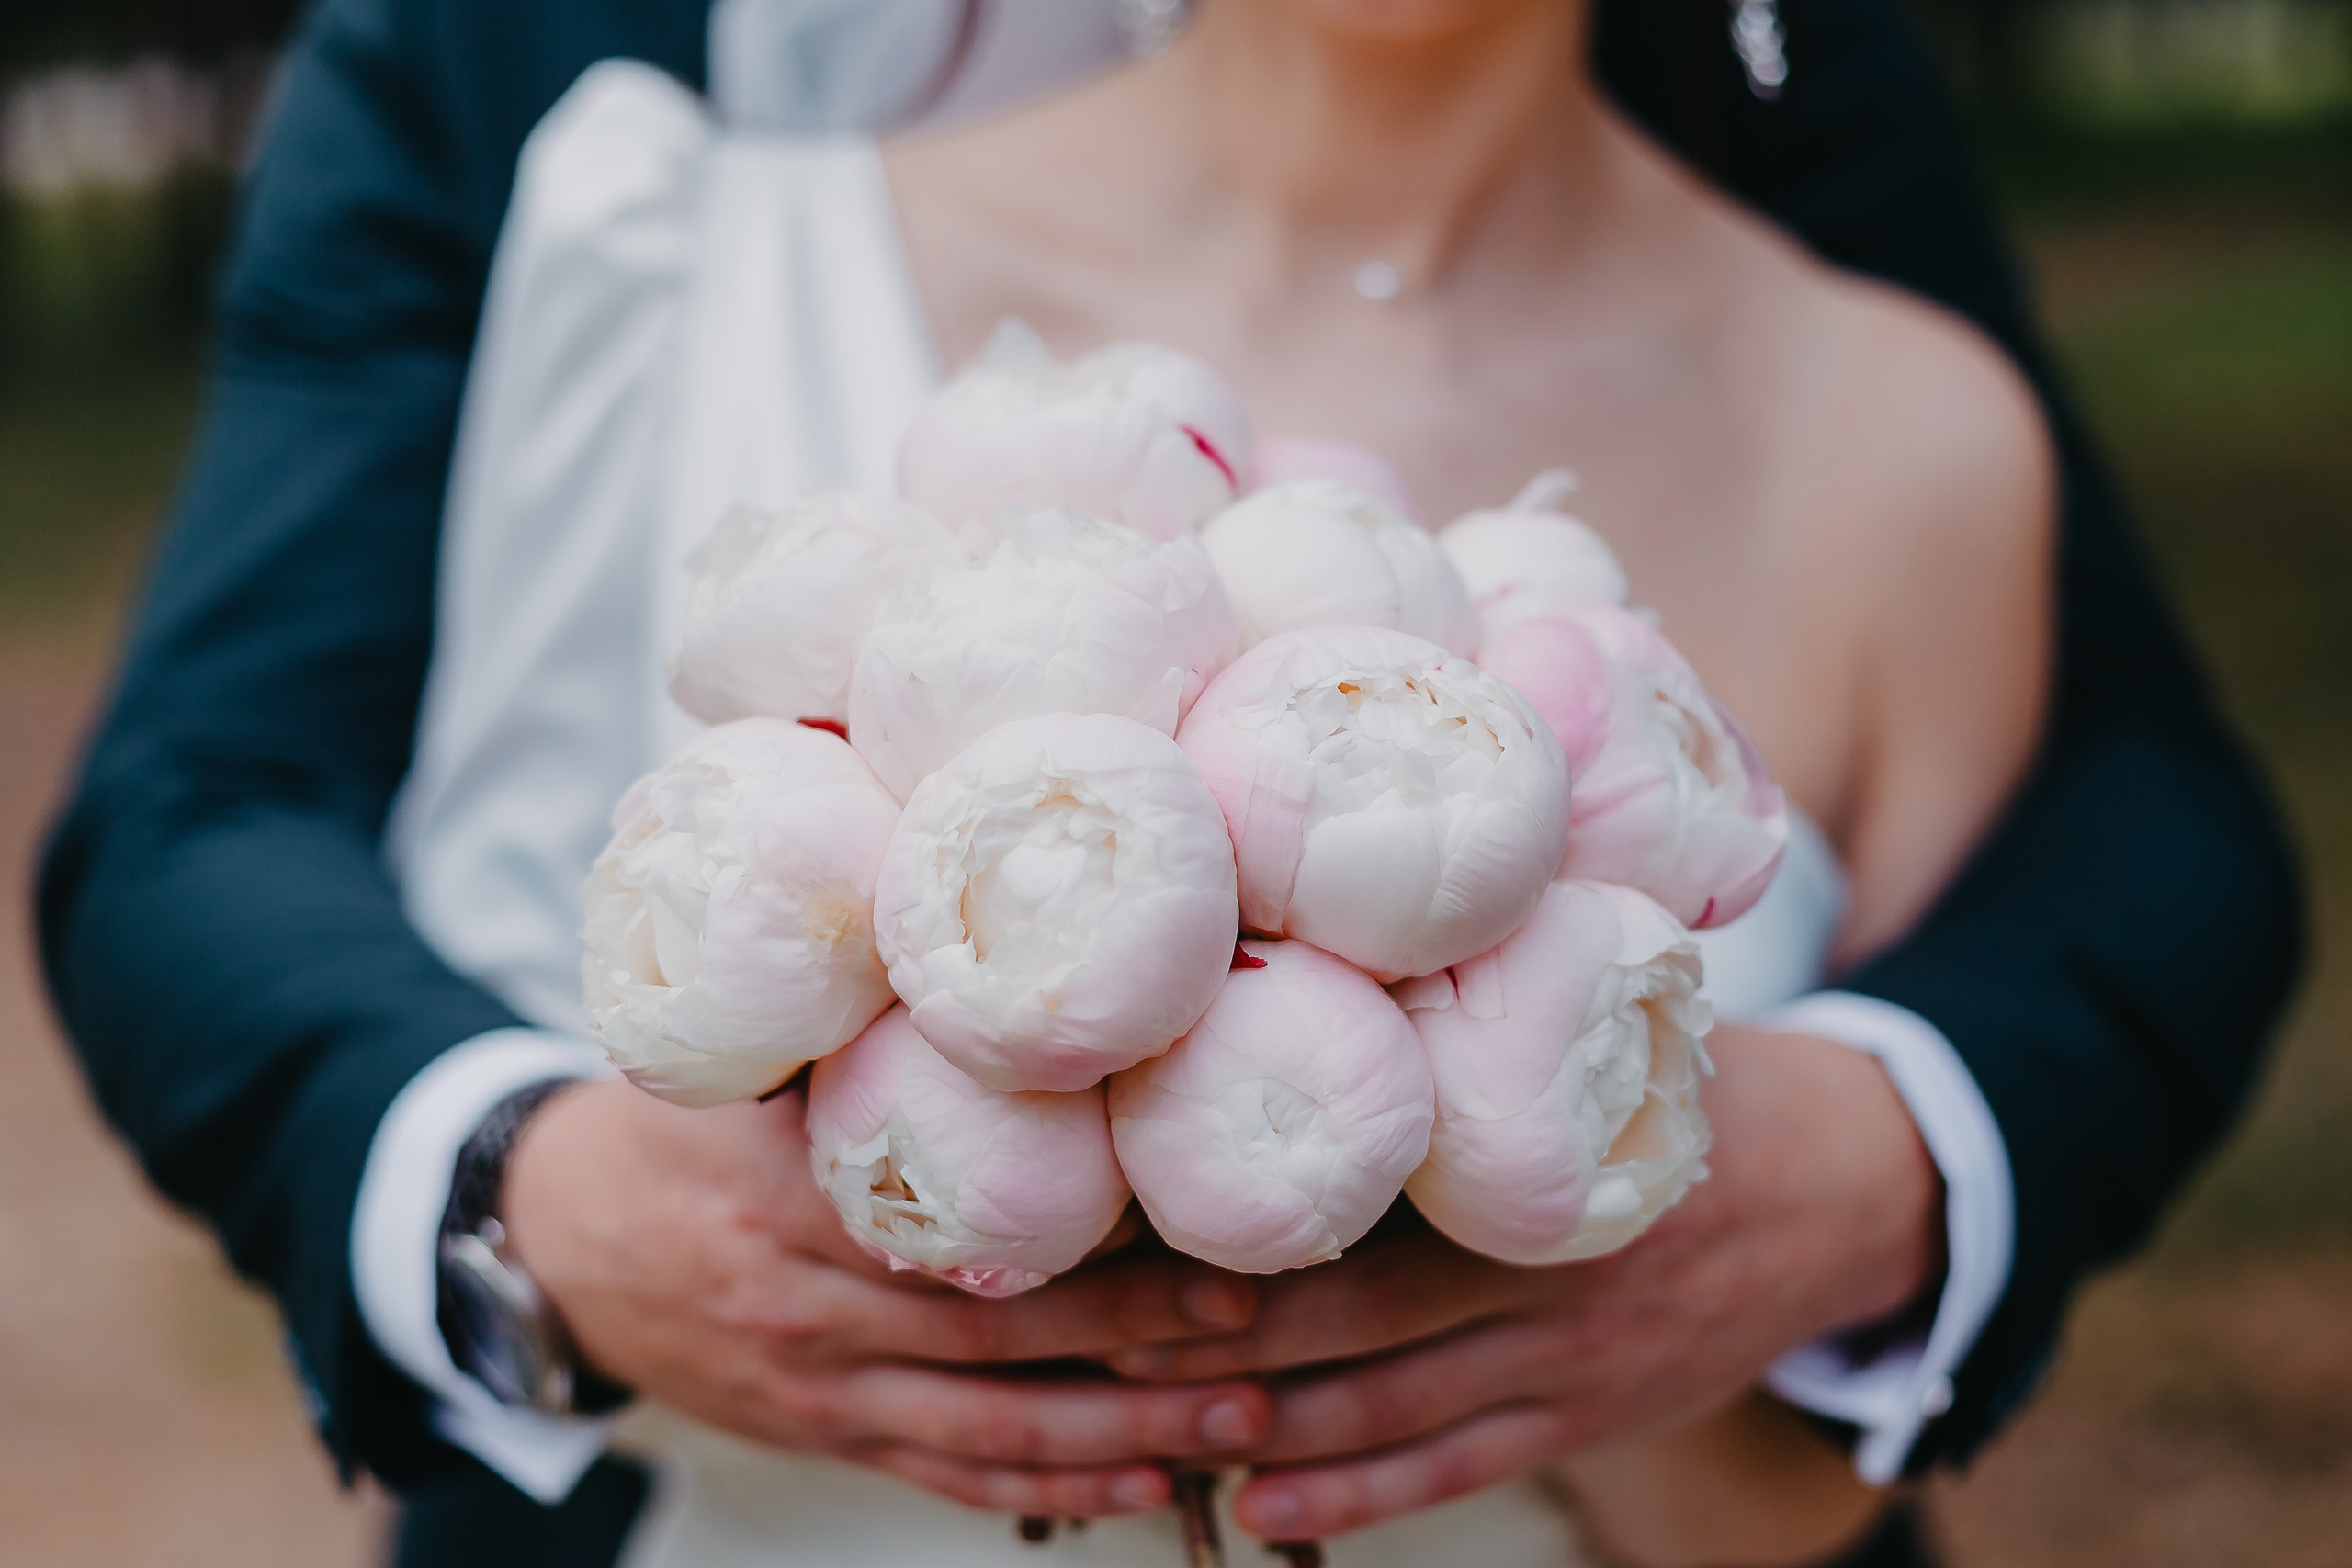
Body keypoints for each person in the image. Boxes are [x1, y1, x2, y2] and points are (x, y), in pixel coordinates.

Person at [35, 0, 2301, 1565]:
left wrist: (1815, 1183)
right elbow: (200, 808)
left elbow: (2134, 840)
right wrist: (543, 1207)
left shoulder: (1883, 417)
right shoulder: (679, 243)